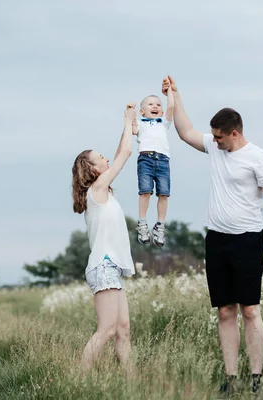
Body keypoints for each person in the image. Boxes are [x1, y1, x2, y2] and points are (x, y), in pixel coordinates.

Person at [162, 75, 263, 396]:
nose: (214, 142)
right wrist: (175, 96)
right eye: (213, 137)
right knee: (225, 311)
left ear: (235, 134)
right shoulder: (215, 148)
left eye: (219, 137)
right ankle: (231, 380)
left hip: (247, 241)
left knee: (250, 310)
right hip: (217, 241)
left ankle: (257, 379)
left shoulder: (258, 158)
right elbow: (185, 131)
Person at [71, 101, 137, 373]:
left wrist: (129, 128)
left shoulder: (103, 192)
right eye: (101, 158)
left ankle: (134, 387)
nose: (107, 159)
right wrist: (128, 120)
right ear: (92, 168)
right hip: (104, 266)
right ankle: (80, 378)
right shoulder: (97, 189)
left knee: (123, 331)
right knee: (107, 330)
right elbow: (125, 153)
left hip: (111, 268)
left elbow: (121, 150)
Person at [132, 89, 174, 247]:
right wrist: (130, 113)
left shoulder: (163, 123)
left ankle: (160, 225)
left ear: (161, 111)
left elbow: (171, 106)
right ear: (142, 111)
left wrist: (169, 91)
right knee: (145, 191)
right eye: (150, 104)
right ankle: (142, 224)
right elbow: (133, 130)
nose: (155, 106)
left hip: (163, 160)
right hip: (146, 159)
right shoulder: (140, 123)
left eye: (158, 104)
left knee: (164, 193)